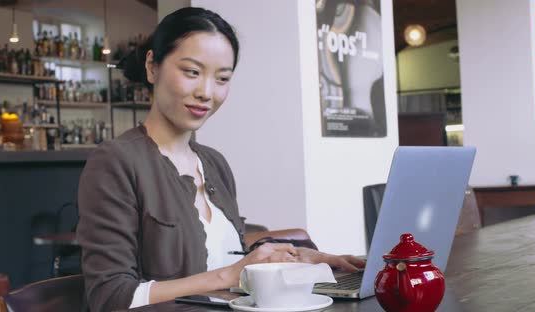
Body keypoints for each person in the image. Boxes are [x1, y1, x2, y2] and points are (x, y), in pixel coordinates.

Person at [76, 7, 365, 312]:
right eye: (192, 72)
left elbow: (223, 260)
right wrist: (231, 274)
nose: (206, 92)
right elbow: (110, 298)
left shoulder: (215, 164)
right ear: (152, 67)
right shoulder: (115, 162)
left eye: (222, 78)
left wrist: (293, 262)